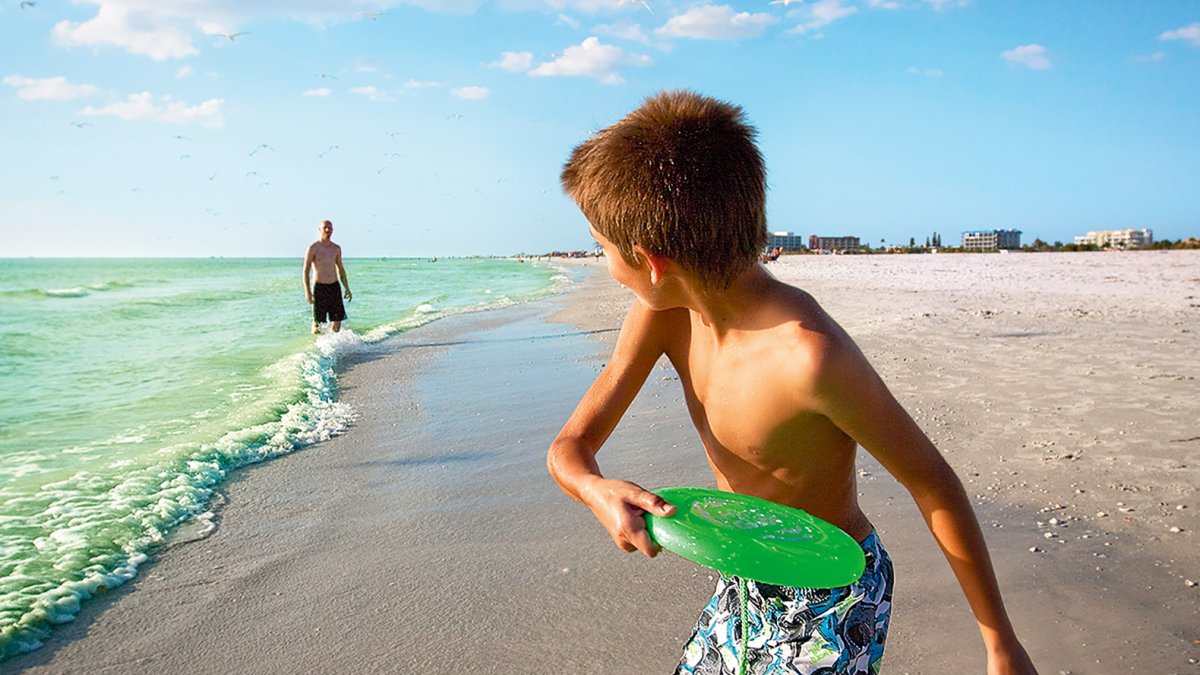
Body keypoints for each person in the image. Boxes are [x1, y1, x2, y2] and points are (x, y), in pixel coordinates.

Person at [547, 91, 1037, 675]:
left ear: (652, 261)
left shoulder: (809, 358)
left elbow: (934, 484)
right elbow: (570, 446)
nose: (601, 260)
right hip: (747, 570)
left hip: (833, 587)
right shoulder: (662, 315)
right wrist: (593, 489)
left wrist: (1000, 645)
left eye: (602, 248)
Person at [303, 219, 351, 334]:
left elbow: (341, 269)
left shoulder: (336, 248)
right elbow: (305, 271)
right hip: (319, 287)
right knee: (317, 322)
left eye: (330, 228)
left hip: (334, 286)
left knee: (337, 320)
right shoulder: (313, 248)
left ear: (332, 230)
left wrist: (347, 288)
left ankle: (332, 345)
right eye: (325, 227)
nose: (328, 230)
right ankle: (318, 347)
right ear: (319, 230)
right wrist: (308, 292)